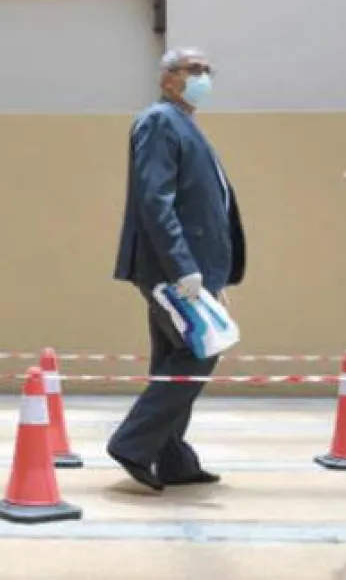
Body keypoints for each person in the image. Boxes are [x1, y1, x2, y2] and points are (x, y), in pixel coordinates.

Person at [106, 47, 245, 492]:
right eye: (194, 70)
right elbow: (155, 197)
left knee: (174, 359)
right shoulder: (160, 121)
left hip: (188, 267)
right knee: (201, 350)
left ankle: (173, 457)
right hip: (170, 267)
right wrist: (183, 267)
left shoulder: (184, 124)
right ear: (167, 79)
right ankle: (133, 443)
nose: (203, 77)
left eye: (207, 69)